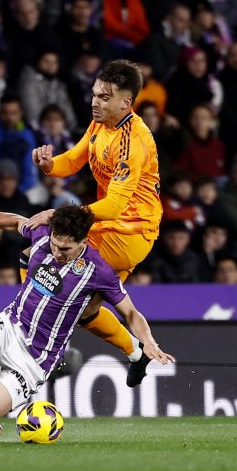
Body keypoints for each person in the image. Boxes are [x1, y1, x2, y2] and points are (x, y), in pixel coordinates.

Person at [0, 205, 174, 442]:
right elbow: (16, 221)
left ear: (83, 243)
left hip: (33, 361)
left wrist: (148, 341)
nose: (57, 251)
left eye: (65, 248)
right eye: (55, 243)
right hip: (7, 328)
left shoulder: (98, 271)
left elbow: (131, 313)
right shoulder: (43, 236)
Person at [29, 59, 162, 386]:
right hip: (113, 226)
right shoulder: (101, 123)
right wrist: (49, 166)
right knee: (88, 311)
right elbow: (74, 159)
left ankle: (43, 347)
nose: (95, 102)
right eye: (94, 94)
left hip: (129, 229)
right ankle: (136, 352)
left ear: (125, 102)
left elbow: (115, 205)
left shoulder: (133, 142)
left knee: (43, 253)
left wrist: (62, 216)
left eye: (104, 97)